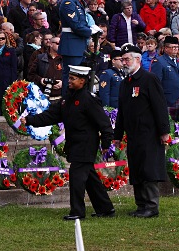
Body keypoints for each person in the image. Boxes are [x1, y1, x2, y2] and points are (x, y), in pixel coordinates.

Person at [21, 65, 115, 221]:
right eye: (69, 78)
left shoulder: (88, 99)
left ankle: (77, 211)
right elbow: (51, 116)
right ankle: (105, 208)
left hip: (85, 145)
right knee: (90, 178)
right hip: (75, 144)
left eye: (73, 79)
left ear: (82, 81)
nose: (69, 81)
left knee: (77, 178)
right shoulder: (67, 99)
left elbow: (104, 123)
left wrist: (106, 143)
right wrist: (30, 120)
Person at [114, 44, 170, 218]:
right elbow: (121, 111)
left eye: (127, 59)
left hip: (149, 133)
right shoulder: (125, 83)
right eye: (122, 60)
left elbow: (160, 106)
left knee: (149, 169)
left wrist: (164, 131)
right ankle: (140, 205)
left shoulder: (149, 79)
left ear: (137, 59)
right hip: (133, 134)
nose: (124, 62)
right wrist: (117, 135)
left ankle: (151, 206)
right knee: (137, 168)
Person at [58, 0, 94, 96]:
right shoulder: (68, 3)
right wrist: (90, 31)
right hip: (71, 46)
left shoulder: (76, 3)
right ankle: (66, 104)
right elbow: (76, 26)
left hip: (77, 45)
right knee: (70, 79)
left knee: (77, 79)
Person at [150, 36, 179, 121]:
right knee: (169, 126)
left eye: (177, 47)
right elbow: (155, 84)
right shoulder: (159, 62)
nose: (175, 49)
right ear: (165, 48)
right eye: (173, 47)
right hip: (168, 100)